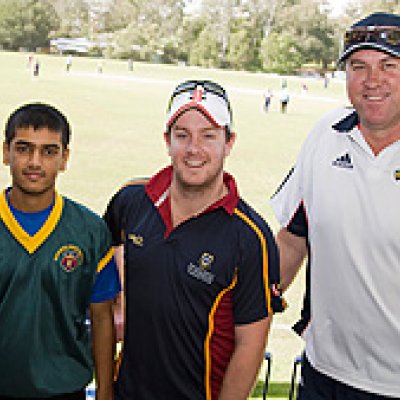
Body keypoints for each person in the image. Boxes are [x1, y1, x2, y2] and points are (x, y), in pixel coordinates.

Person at [104, 79, 285, 399]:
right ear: (167, 140)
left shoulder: (250, 237)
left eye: (208, 136)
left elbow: (250, 346)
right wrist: (119, 305)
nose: (193, 149)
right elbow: (107, 254)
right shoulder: (132, 200)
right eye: (182, 135)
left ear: (229, 143)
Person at [270, 12, 400, 400]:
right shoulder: (324, 135)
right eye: (359, 66)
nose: (372, 80)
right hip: (323, 373)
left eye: (389, 66)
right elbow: (293, 240)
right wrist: (246, 302)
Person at [0, 103, 120, 400]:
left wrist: (105, 390)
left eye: (49, 151)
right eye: (24, 148)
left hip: (63, 388)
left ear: (65, 158)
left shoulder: (89, 231)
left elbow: (102, 316)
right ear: (6, 152)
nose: (35, 162)